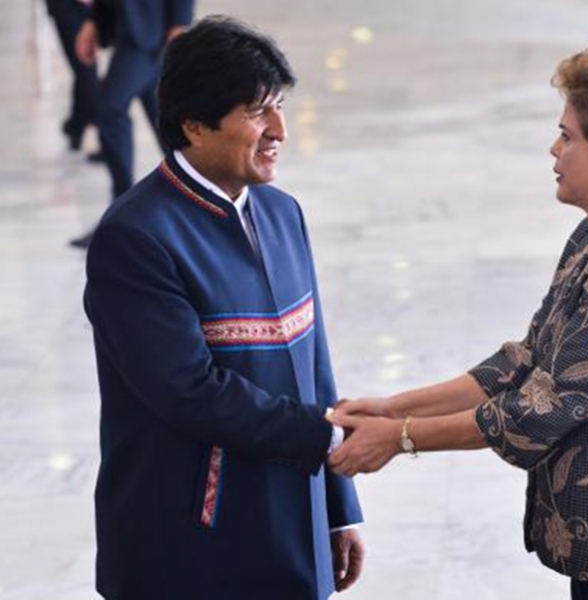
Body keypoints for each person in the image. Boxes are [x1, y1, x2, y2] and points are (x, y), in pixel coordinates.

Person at [328, 43, 588, 599]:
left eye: (568, 136)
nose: (554, 148)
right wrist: (392, 406)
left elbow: (536, 414)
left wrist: (398, 439)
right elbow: (525, 363)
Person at [84, 16, 364, 600]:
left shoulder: (282, 212)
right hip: (189, 540)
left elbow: (315, 366)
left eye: (280, 105)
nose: (280, 129)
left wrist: (339, 506)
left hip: (293, 516)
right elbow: (189, 390)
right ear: (193, 125)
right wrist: (330, 438)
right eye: (258, 112)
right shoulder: (137, 238)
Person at [69, 0, 195, 248]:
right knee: (167, 124)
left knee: (110, 110)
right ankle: (201, 204)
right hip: (130, 26)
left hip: (152, 31)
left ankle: (124, 214)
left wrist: (180, 22)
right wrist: (94, 20)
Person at [44, 0, 99, 151]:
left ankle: (77, 125)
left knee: (84, 69)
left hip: (84, 8)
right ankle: (99, 128)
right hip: (71, 7)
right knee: (85, 67)